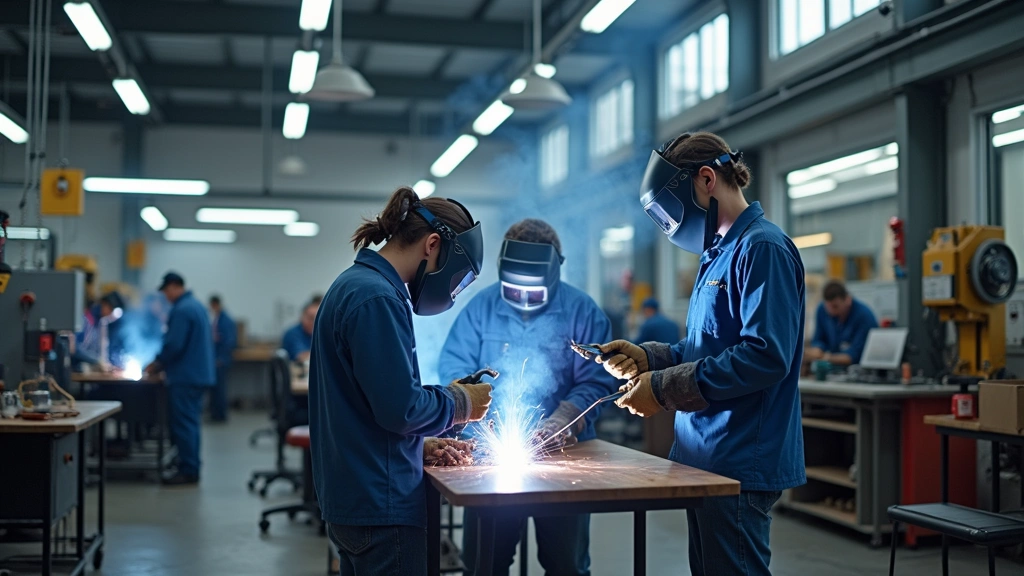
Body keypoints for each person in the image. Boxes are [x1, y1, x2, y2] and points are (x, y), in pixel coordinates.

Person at [595, 132, 806, 576]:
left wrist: (663, 389)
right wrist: (648, 359)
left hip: (739, 457)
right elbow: (701, 348)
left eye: (672, 215)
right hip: (706, 456)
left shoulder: (761, 248)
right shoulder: (717, 255)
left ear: (707, 179)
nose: (672, 228)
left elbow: (765, 356)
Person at [310, 187, 494, 576]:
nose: (453, 291)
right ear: (432, 245)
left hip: (359, 495)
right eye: (457, 279)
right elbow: (401, 408)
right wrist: (462, 404)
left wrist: (417, 447)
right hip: (380, 507)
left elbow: (365, 405)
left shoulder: (356, 285)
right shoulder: (376, 298)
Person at [439, 219, 617, 576]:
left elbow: (597, 382)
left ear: (554, 274)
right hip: (490, 454)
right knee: (484, 564)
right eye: (513, 290)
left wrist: (561, 419)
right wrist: (476, 415)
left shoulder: (582, 311)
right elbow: (453, 373)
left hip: (565, 455)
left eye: (533, 293)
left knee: (565, 565)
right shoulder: (480, 309)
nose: (522, 300)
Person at [145, 272, 216, 486]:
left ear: (175, 286)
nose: (166, 296)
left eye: (166, 291)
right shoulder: (196, 305)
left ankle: (188, 470)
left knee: (184, 424)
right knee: (191, 423)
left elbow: (174, 344)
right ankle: (189, 464)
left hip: (185, 377)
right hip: (197, 375)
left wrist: (156, 364)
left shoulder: (182, 310)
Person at [805, 280, 878, 367]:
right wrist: (817, 349)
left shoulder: (864, 316)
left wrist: (824, 357)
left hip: (857, 369)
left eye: (835, 306)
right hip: (831, 368)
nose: (831, 312)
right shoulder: (822, 310)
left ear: (847, 300)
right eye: (828, 307)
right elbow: (818, 339)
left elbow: (853, 356)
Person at [208, 295, 237, 422]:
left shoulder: (226, 320)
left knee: (220, 389)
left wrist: (221, 359)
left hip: (221, 360)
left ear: (216, 304)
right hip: (216, 359)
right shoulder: (218, 319)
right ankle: (215, 413)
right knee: (215, 389)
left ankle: (220, 415)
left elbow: (229, 342)